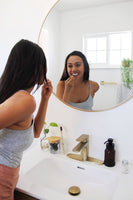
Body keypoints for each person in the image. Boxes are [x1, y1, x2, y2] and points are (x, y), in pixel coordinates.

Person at [0, 39, 53, 199]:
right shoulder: (25, 100)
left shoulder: (20, 98)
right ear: (34, 67)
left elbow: (36, 133)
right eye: (43, 64)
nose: (46, 69)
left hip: (8, 176)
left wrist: (45, 99)